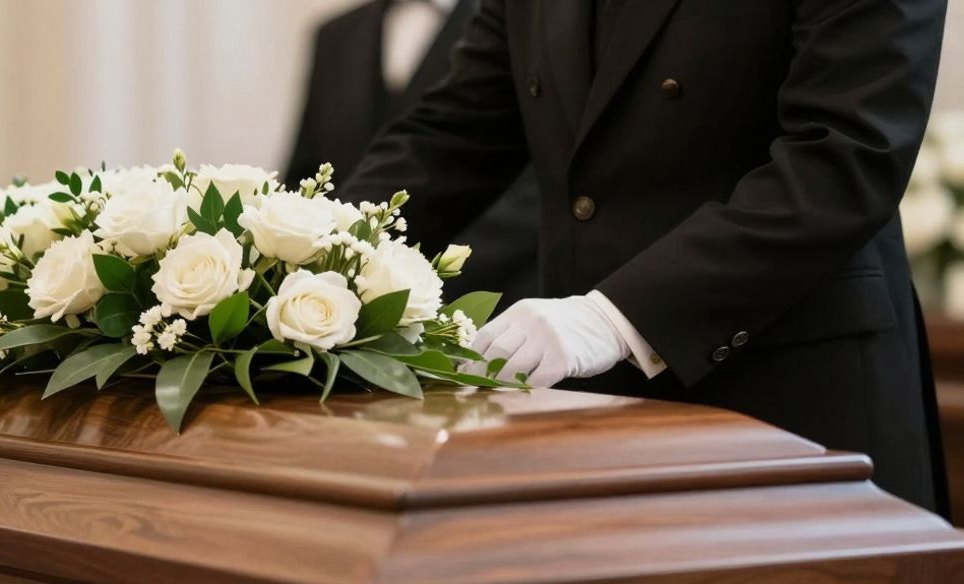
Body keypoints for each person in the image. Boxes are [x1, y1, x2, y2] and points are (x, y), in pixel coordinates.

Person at [340, 0, 950, 514]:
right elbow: (453, 133)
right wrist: (306, 256)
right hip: (593, 412)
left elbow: (845, 159)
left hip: (793, 414)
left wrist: (615, 315)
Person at [287, 0, 538, 303]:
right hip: (344, 300)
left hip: (495, 300)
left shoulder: (509, 17)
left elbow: (526, 180)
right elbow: (306, 171)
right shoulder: (336, 33)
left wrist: (417, 279)